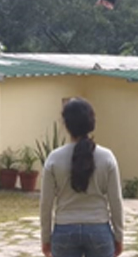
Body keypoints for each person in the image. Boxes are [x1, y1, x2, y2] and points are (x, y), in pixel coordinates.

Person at [40, 98, 124, 257]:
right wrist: (119, 236)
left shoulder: (54, 159)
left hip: (64, 229)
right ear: (92, 122)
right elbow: (116, 201)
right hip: (99, 229)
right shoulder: (107, 157)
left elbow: (46, 204)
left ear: (65, 124)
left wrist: (45, 238)